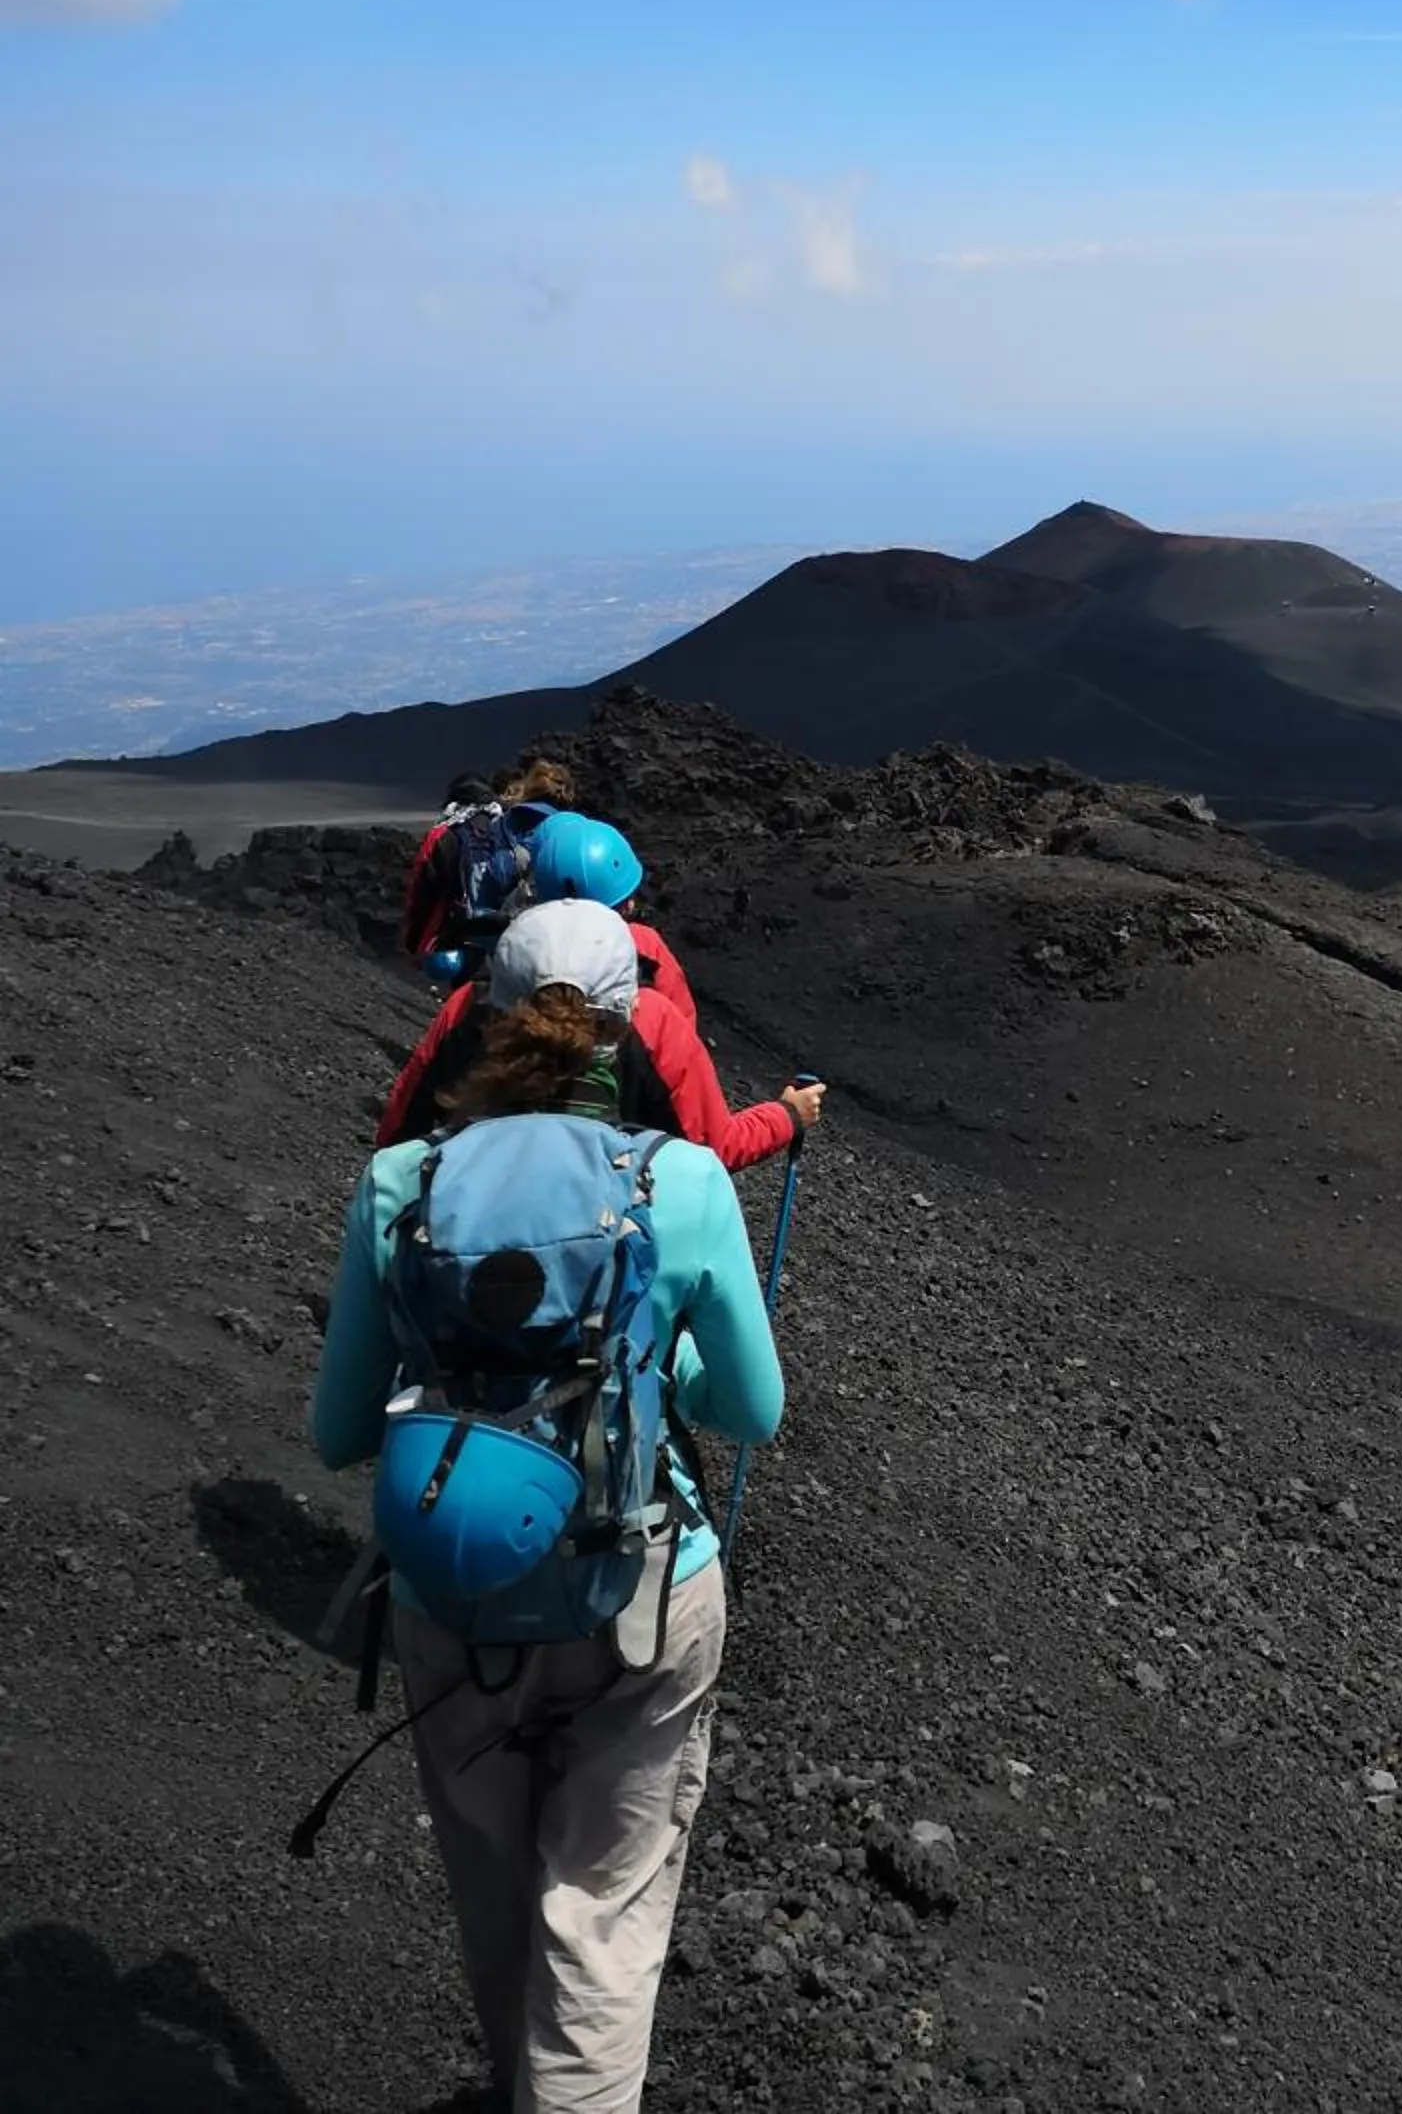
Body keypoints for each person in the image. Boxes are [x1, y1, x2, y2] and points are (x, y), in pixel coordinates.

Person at [311, 904, 783, 2112]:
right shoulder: (674, 1180)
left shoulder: (398, 1183)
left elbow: (338, 1435)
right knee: (602, 1916)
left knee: (501, 1898)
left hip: (449, 1593)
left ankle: (522, 2081)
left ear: (483, 1014)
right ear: (630, 1025)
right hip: (640, 1590)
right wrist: (648, 1369)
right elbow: (751, 1408)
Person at [379, 899, 821, 1172]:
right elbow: (713, 1149)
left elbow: (402, 1130)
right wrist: (785, 1115)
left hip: (457, 1253)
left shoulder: (466, 1011)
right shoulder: (655, 1023)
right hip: (613, 1276)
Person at [398, 759, 577, 974]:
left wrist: (414, 944)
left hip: (482, 940)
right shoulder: (570, 831)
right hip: (556, 945)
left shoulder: (489, 828)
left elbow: (422, 891)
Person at [524, 813, 697, 1026]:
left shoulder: (521, 949)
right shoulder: (643, 944)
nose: (632, 905)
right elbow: (682, 1024)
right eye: (624, 900)